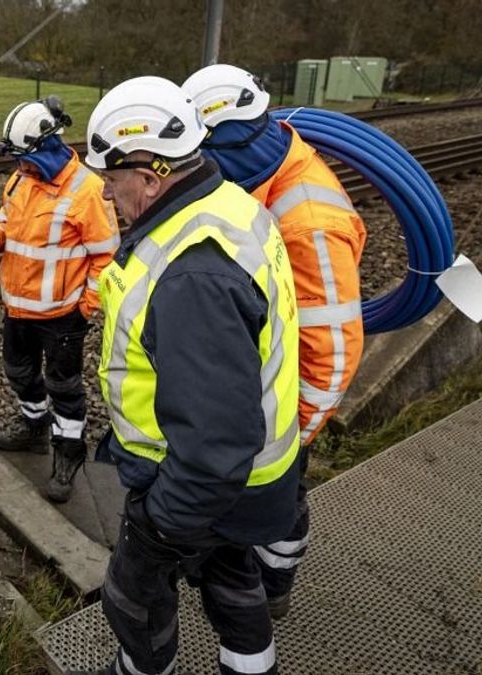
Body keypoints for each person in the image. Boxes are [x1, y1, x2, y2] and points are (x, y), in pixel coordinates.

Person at [79, 76, 302, 675]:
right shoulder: (227, 204)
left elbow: (214, 443)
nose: (105, 194)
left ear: (150, 178)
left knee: (134, 597)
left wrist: (160, 525)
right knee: (234, 586)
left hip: (199, 482)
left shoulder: (190, 276)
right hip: (254, 480)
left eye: (112, 180)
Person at [183, 64, 367, 618]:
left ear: (224, 138)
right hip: (258, 383)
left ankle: (275, 585)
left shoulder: (308, 222)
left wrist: (287, 440)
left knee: (281, 502)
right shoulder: (261, 166)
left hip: (282, 414)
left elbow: (332, 352)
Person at [0, 96, 118, 503]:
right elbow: (6, 220)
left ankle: (68, 454)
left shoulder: (88, 191)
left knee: (64, 386)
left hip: (62, 316)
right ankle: (34, 427)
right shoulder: (20, 180)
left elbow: (107, 257)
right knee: (19, 372)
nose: (19, 167)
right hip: (18, 308)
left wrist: (85, 306)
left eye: (24, 158)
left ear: (48, 147)